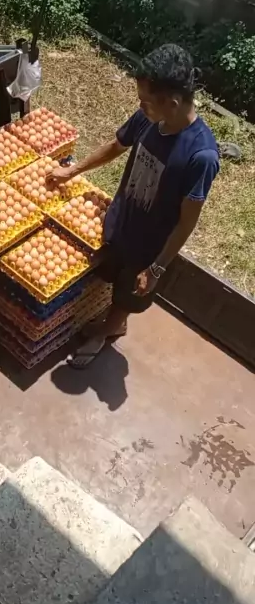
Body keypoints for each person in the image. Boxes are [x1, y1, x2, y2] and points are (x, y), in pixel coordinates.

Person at [46, 43, 220, 369]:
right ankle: (115, 323)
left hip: (149, 245)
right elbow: (118, 144)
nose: (140, 106)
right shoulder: (149, 118)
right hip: (123, 219)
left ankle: (106, 332)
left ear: (172, 102)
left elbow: (186, 222)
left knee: (128, 292)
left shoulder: (201, 156)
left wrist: (156, 268)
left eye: (145, 100)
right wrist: (72, 170)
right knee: (112, 272)